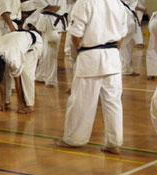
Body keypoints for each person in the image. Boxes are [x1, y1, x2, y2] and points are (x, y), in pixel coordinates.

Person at [54, 0, 128, 154]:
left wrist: (82, 51)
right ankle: (114, 143)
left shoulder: (85, 2)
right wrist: (112, 52)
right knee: (113, 102)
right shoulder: (117, 3)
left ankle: (74, 139)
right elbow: (121, 36)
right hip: (113, 56)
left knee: (81, 101)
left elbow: (75, 35)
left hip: (90, 56)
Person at [0, 29, 44, 114]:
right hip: (16, 40)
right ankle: (4, 102)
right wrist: (2, 102)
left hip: (34, 43)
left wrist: (20, 104)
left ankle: (27, 104)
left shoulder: (13, 59)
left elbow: (17, 80)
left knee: (26, 74)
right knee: (1, 74)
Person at [34, 0, 66, 88]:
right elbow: (51, 7)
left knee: (48, 52)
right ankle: (45, 77)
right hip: (49, 22)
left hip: (54, 22)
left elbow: (57, 8)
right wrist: (48, 7)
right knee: (47, 52)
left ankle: (46, 77)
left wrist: (49, 7)